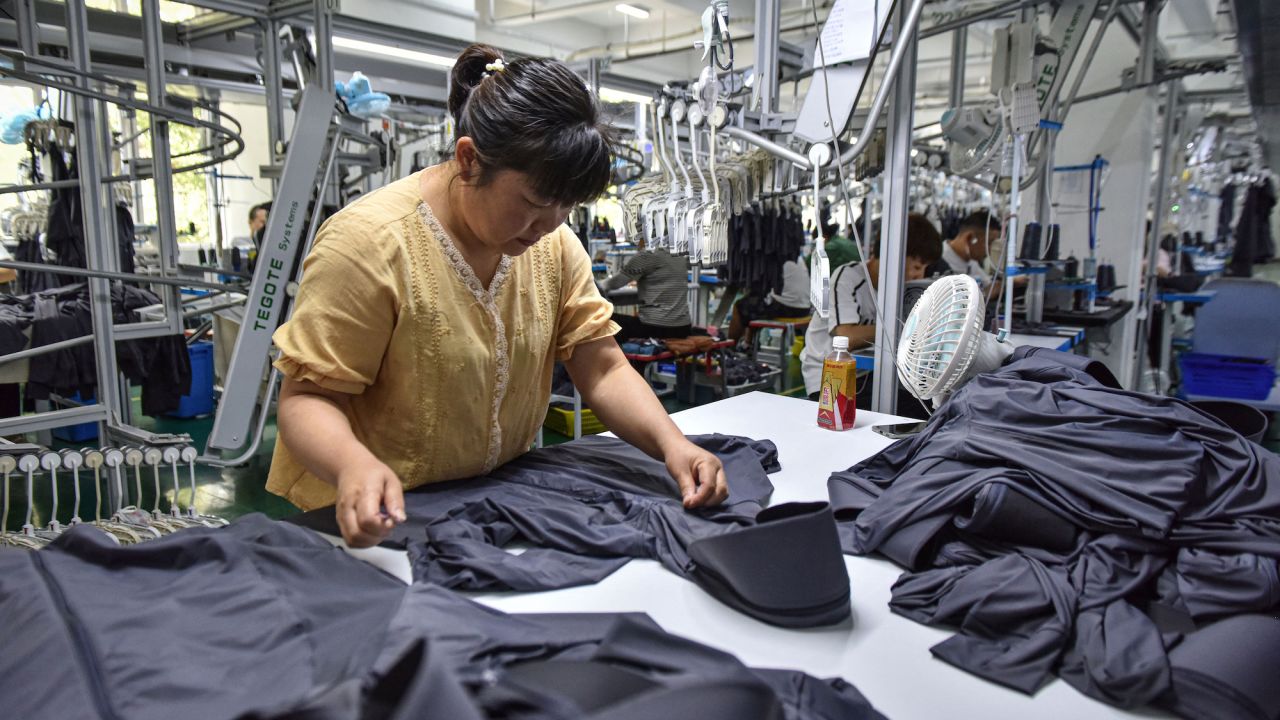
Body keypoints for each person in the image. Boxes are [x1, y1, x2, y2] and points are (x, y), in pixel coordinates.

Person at [269, 44, 728, 548]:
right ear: (469, 160)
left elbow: (602, 367)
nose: (549, 225)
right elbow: (309, 398)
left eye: (566, 207)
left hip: (491, 504)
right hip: (376, 519)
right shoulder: (369, 245)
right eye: (533, 203)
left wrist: (672, 446)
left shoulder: (553, 244)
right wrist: (353, 465)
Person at [801, 213, 943, 402]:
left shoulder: (899, 288)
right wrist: (907, 328)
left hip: (868, 375)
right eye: (917, 267)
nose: (920, 275)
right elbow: (847, 337)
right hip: (830, 378)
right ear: (893, 256)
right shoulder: (847, 277)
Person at [601, 243, 692, 339]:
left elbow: (614, 283)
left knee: (606, 321)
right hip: (684, 328)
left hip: (656, 328)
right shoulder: (678, 255)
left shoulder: (647, 254)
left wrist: (597, 285)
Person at [727, 256, 810, 343]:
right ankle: (748, 344)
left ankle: (729, 349)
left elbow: (759, 283)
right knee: (754, 304)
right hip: (804, 308)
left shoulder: (771, 254)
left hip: (787, 308)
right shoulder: (793, 253)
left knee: (739, 307)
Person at [927, 209, 1000, 285]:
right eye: (988, 243)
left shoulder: (971, 262)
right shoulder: (938, 261)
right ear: (971, 238)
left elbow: (987, 284)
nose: (990, 249)